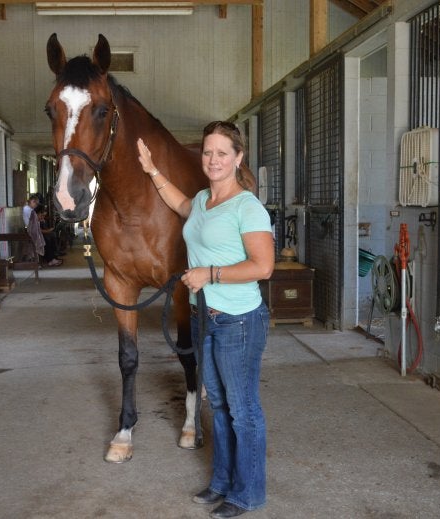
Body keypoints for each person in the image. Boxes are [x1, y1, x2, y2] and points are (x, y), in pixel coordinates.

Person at [136, 121, 275, 519]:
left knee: (243, 409)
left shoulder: (247, 206)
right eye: (208, 152)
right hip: (205, 318)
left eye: (222, 153)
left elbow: (263, 267)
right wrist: (152, 171)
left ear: (238, 158)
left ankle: (248, 493)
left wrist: (209, 274)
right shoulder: (202, 200)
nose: (213, 160)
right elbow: (180, 205)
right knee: (219, 405)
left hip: (238, 320)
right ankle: (222, 482)